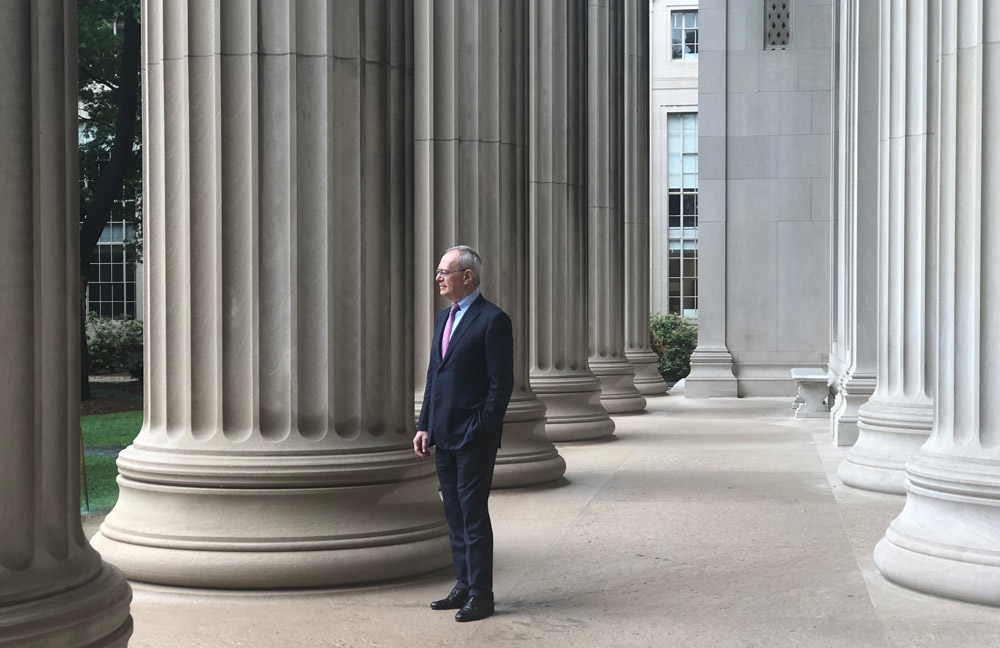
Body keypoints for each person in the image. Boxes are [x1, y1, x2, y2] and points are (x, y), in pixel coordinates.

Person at [414, 245, 514, 623]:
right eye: (438, 272)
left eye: (444, 271)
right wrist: (425, 424)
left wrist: (480, 429)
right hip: (443, 435)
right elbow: (434, 376)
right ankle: (463, 585)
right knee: (453, 514)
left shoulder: (493, 320)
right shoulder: (444, 319)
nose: (438, 277)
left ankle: (482, 595)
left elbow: (500, 386)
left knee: (473, 516)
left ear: (467, 276)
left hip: (473, 439)